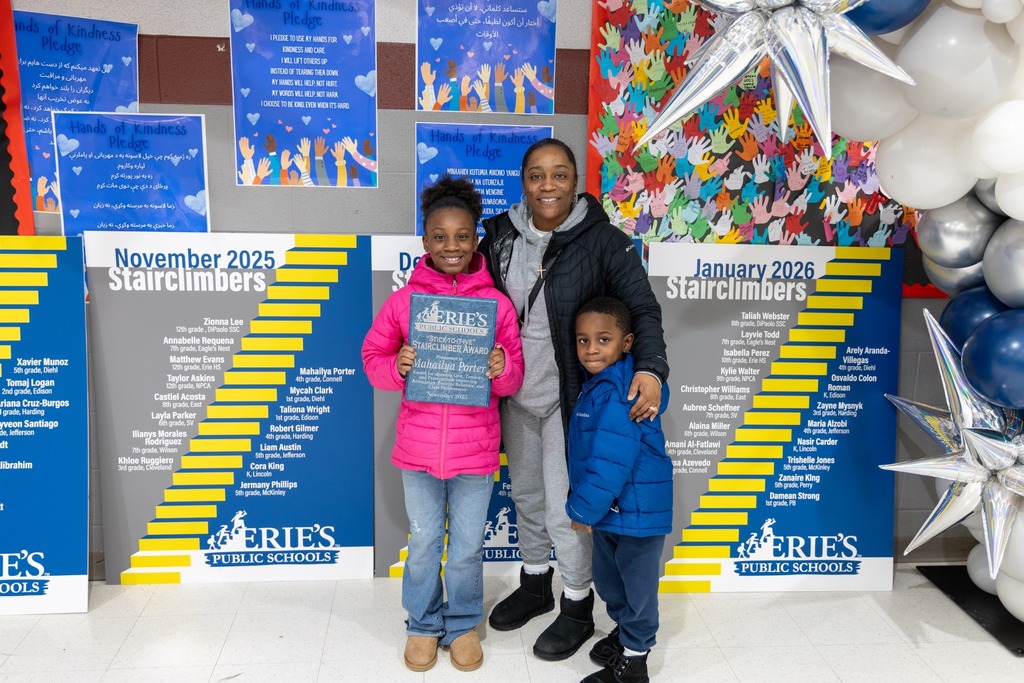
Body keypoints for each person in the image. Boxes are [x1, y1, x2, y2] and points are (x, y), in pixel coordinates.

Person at [478, 138, 669, 661]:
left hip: (572, 398)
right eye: (536, 175)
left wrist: (651, 368)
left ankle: (577, 605)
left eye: (559, 174)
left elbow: (642, 310)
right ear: (522, 180)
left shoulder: (603, 241)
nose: (547, 185)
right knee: (527, 498)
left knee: (569, 509)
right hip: (516, 391)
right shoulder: (497, 236)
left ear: (575, 181)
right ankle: (536, 581)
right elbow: (471, 301)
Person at [362, 175, 524, 673]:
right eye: (439, 236)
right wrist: (399, 366)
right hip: (417, 450)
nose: (451, 246)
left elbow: (514, 375)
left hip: (476, 453)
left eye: (461, 236)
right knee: (426, 542)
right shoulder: (404, 303)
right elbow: (373, 358)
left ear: (476, 240)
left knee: (468, 547)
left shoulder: (496, 306)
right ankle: (422, 624)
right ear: (425, 241)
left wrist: (501, 371)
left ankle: (462, 624)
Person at [567, 297, 672, 683]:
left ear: (626, 343)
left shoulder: (620, 391)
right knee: (611, 579)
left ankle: (635, 659)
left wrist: (582, 511)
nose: (591, 348)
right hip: (615, 511)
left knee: (638, 587)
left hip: (636, 512)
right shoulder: (599, 385)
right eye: (583, 340)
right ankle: (625, 632)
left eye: (603, 339)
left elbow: (610, 462)